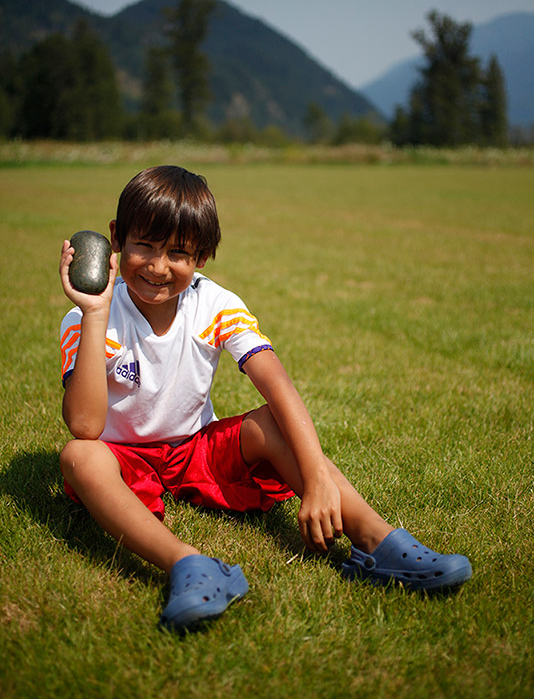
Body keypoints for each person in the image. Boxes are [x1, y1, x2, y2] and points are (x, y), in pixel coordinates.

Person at [59, 165, 472, 633]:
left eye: (178, 253)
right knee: (80, 456)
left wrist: (316, 478)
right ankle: (188, 565)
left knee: (270, 423)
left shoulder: (212, 303)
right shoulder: (88, 319)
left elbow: (279, 389)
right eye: (145, 246)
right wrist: (93, 312)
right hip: (119, 459)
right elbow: (86, 426)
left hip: (193, 452)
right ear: (116, 238)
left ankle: (376, 541)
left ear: (203, 255)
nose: (158, 266)